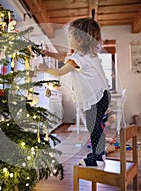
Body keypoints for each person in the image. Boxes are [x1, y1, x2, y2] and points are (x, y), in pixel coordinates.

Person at [38, 17, 110, 166]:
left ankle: (97, 158)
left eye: (70, 36)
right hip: (102, 95)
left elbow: (59, 72)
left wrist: (45, 69)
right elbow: (66, 57)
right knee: (96, 125)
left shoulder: (79, 59)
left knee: (93, 126)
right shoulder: (88, 55)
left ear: (80, 39)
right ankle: (100, 153)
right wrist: (51, 54)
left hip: (95, 98)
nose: (68, 38)